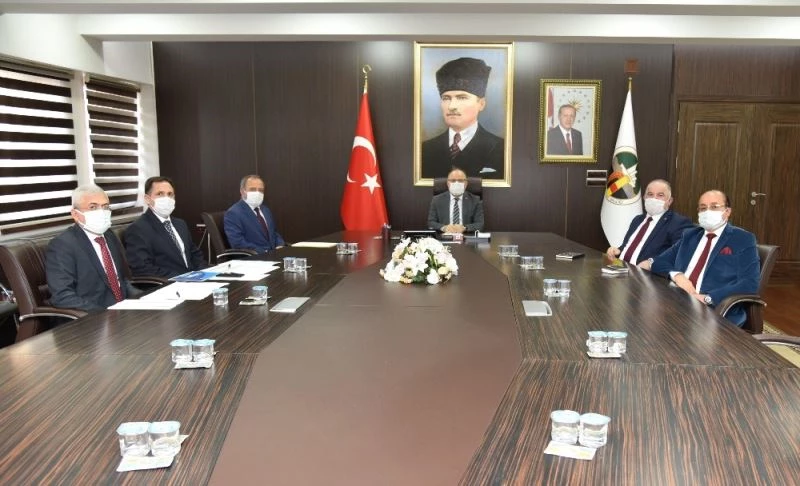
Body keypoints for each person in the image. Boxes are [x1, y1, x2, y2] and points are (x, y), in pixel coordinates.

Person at [649, 189, 759, 326]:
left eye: (714, 207)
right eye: (703, 208)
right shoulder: (690, 235)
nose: (707, 211)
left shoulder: (743, 239)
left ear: (727, 212)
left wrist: (708, 298)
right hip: (679, 302)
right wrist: (677, 276)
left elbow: (749, 283)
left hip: (715, 310)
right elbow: (659, 262)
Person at [46, 185, 141, 312]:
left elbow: (121, 281)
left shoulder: (109, 235)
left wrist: (143, 299)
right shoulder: (62, 245)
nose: (101, 212)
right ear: (75, 214)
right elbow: (62, 296)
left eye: (105, 207)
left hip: (123, 310)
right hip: (92, 316)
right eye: (93, 207)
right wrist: (105, 314)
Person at [421, 57, 504, 180]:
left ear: (481, 104)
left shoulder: (501, 148)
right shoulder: (425, 149)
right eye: (446, 98)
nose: (452, 106)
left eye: (462, 98)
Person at [124, 176, 207, 278]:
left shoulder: (180, 224)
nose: (166, 199)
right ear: (147, 199)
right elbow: (143, 268)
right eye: (160, 194)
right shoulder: (138, 229)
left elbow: (195, 254)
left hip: (196, 280)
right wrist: (182, 278)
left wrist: (204, 273)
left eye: (170, 194)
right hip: (169, 283)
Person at [606, 179, 694, 266]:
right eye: (650, 194)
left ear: (669, 201)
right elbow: (628, 247)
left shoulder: (678, 223)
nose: (654, 198)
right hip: (619, 267)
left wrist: (651, 263)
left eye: (660, 195)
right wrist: (618, 251)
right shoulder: (637, 220)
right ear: (644, 197)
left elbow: (679, 254)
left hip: (645, 273)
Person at [224, 175, 285, 252]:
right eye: (252, 189)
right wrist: (265, 252)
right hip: (254, 256)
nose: (257, 193)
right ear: (242, 191)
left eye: (261, 190)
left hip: (275, 254)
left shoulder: (265, 210)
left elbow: (274, 233)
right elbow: (238, 243)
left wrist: (280, 245)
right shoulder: (233, 213)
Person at [427, 168, 484, 233]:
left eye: (460, 180)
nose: (456, 183)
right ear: (448, 183)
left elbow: (480, 224)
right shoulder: (437, 200)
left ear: (466, 184)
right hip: (444, 236)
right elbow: (430, 223)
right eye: (453, 180)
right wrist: (444, 228)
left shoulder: (475, 200)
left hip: (465, 236)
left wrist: (464, 228)